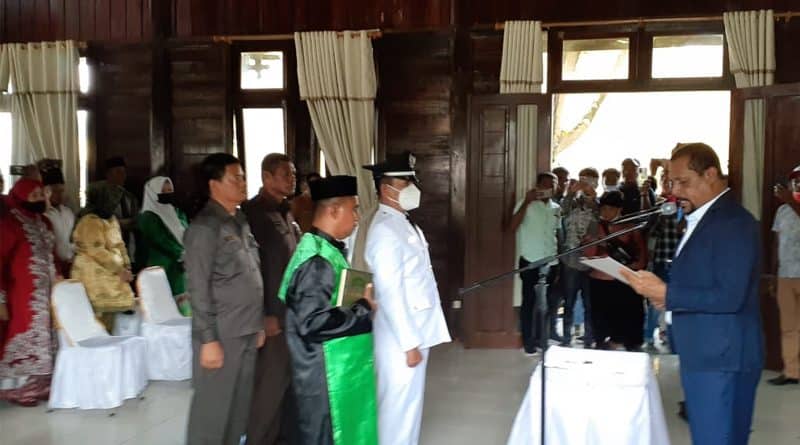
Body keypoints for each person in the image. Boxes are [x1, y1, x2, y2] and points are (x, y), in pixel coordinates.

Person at [623, 142, 763, 445]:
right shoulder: (704, 217)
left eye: (683, 182)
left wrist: (669, 293)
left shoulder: (732, 222)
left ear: (710, 175)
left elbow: (730, 297)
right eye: (671, 182)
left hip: (722, 357)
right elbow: (704, 282)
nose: (675, 191)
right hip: (706, 351)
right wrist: (664, 298)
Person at [278, 175, 378, 445]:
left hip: (328, 367)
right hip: (322, 376)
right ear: (334, 210)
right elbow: (312, 322)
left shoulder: (324, 249)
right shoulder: (317, 261)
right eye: (353, 209)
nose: (357, 217)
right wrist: (363, 308)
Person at [364, 152, 451, 445]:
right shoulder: (385, 230)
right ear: (385, 188)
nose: (412, 188)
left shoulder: (402, 222)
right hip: (400, 337)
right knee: (397, 409)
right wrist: (409, 343)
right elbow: (390, 293)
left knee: (409, 406)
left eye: (412, 181)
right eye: (405, 182)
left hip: (414, 329)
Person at [184, 153, 266, 445]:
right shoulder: (205, 228)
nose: (243, 183)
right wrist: (208, 340)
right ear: (214, 184)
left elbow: (252, 274)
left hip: (247, 328)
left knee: (237, 411)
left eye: (243, 177)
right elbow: (198, 287)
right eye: (236, 178)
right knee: (212, 413)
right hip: (222, 333)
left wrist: (258, 323)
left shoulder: (239, 221)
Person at [242, 154, 301, 445]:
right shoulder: (252, 214)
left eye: (293, 174)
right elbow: (251, 270)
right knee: (269, 385)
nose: (292, 179)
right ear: (266, 177)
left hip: (291, 310)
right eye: (285, 174)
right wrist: (263, 314)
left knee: (288, 382)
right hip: (271, 315)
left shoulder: (286, 211)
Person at [0, 178, 56, 406]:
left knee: (46, 335)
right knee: (24, 331)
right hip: (22, 293)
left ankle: (40, 384)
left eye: (41, 195)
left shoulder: (44, 222)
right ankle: (16, 387)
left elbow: (51, 255)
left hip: (48, 291)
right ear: (20, 197)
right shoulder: (10, 224)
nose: (39, 199)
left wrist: (59, 275)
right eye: (34, 196)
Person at [584, 191, 648, 351]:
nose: (606, 212)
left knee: (627, 318)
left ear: (619, 209)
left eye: (610, 209)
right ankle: (602, 344)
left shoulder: (631, 227)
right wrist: (593, 242)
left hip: (624, 279)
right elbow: (588, 254)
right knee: (601, 319)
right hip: (600, 280)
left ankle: (629, 345)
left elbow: (641, 257)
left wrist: (630, 268)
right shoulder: (595, 226)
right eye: (603, 209)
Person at [507, 172, 563, 353]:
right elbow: (512, 227)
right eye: (545, 184)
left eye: (553, 184)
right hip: (530, 260)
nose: (549, 188)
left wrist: (559, 259)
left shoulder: (556, 208)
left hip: (551, 261)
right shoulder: (526, 204)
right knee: (529, 302)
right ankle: (528, 342)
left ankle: (542, 339)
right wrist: (526, 202)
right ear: (538, 186)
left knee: (547, 303)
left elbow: (557, 233)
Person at [71, 184, 135, 331]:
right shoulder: (89, 221)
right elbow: (97, 251)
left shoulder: (111, 219)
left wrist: (126, 265)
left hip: (113, 278)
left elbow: (119, 244)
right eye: (110, 200)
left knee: (110, 325)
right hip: (93, 278)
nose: (113, 204)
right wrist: (119, 269)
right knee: (95, 326)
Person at [136, 176, 191, 316]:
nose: (168, 194)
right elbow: (160, 240)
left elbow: (187, 232)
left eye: (170, 190)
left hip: (181, 267)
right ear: (153, 193)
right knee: (165, 309)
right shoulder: (148, 217)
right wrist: (181, 254)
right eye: (164, 191)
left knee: (184, 307)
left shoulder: (176, 212)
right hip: (162, 267)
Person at [559, 168, 600, 347]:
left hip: (592, 261)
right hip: (571, 260)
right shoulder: (571, 202)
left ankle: (590, 337)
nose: (586, 184)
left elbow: (600, 215)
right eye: (583, 180)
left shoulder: (598, 203)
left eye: (590, 181)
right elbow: (562, 211)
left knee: (590, 303)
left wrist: (592, 196)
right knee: (568, 301)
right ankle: (566, 338)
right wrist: (571, 192)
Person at [768, 165, 800, 386]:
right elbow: (776, 244)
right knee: (789, 327)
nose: (797, 185)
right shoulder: (782, 211)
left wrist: (790, 200)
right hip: (785, 275)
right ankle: (792, 372)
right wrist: (773, 274)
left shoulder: (790, 205)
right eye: (795, 181)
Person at [88, 157, 139, 255]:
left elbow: (136, 220)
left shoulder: (130, 197)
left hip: (129, 248)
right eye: (118, 172)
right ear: (108, 174)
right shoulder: (99, 196)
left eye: (124, 172)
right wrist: (117, 223)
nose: (122, 176)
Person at [40, 163, 76, 277]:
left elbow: (73, 239)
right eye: (55, 191)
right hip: (52, 269)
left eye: (61, 191)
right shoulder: (43, 215)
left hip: (71, 265)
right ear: (46, 191)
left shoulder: (68, 213)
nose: (59, 195)